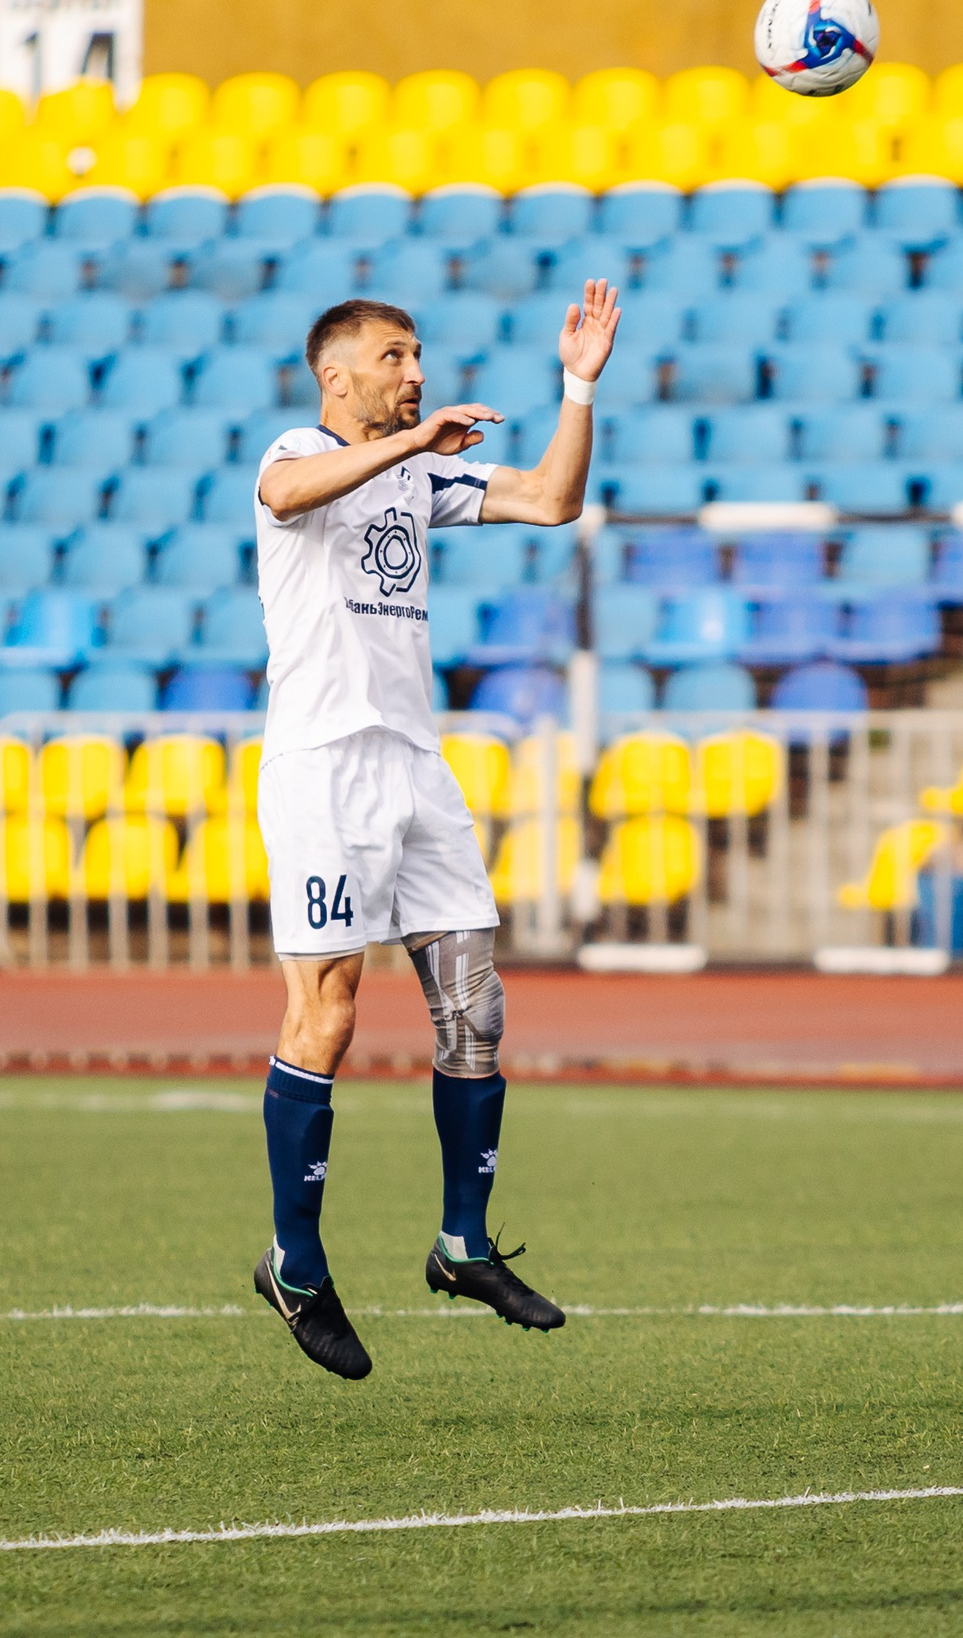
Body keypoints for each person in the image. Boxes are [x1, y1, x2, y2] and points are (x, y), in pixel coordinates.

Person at [248, 284, 619, 1381]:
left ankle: (461, 1245)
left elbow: (552, 501)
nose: (414, 370)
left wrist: (578, 385)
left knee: (475, 1005)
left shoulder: (418, 470)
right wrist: (413, 439)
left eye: (417, 355)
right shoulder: (297, 448)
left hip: (412, 762)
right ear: (337, 375)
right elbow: (284, 496)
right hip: (322, 769)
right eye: (393, 355)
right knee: (329, 1013)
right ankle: (296, 1264)